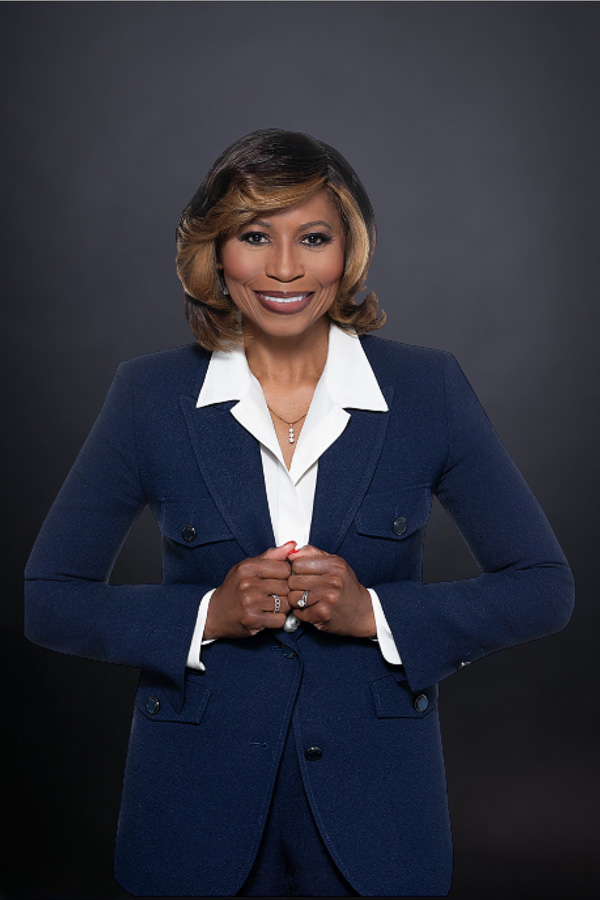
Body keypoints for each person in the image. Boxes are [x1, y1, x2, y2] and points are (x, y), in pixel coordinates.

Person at [24, 129, 574, 897]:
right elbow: (49, 598)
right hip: (192, 816)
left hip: (377, 816)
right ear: (217, 254)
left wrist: (375, 615)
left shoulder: (428, 390)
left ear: (348, 253)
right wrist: (206, 616)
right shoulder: (147, 397)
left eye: (312, 238)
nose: (285, 268)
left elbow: (543, 585)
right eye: (256, 236)